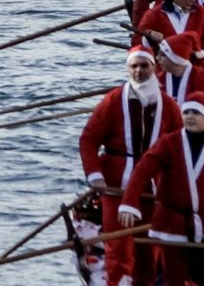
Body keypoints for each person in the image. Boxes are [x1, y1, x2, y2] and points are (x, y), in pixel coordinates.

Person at [79, 48, 180, 286]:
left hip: (153, 188)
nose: (138, 71)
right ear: (127, 69)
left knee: (149, 249)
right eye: (133, 66)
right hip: (116, 186)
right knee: (118, 248)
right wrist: (95, 177)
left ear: (154, 68)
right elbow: (88, 139)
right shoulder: (113, 100)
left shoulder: (169, 106)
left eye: (144, 66)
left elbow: (179, 147)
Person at [117, 93, 204, 286]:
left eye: (196, 113)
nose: (190, 116)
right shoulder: (169, 143)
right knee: (174, 276)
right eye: (186, 112)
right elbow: (142, 170)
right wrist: (129, 203)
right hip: (171, 223)